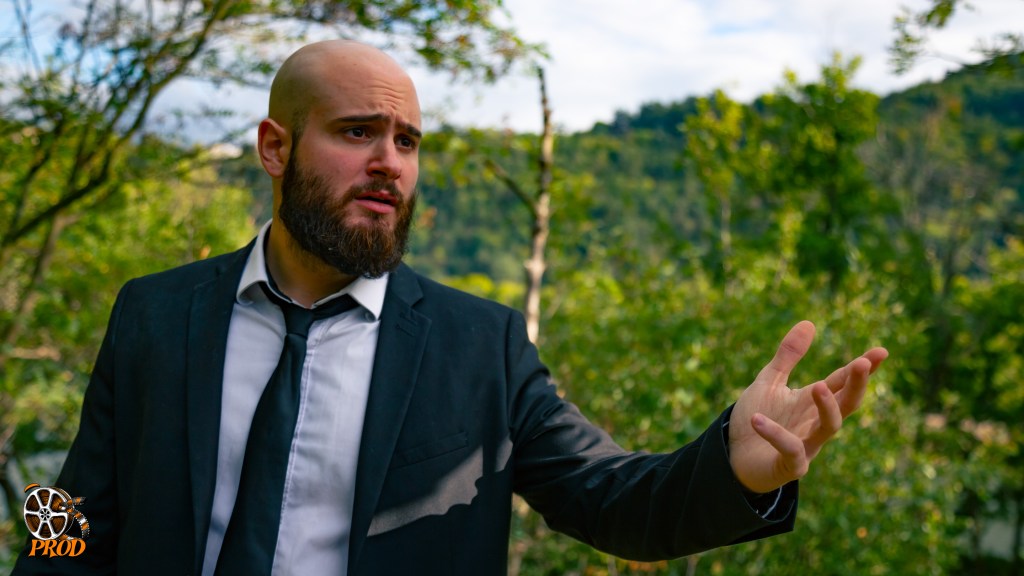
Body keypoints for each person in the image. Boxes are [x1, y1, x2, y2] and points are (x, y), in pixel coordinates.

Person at [13, 40, 888, 575]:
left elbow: (613, 499)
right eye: (358, 131)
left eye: (407, 140)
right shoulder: (156, 314)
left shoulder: (482, 344)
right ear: (275, 147)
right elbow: (74, 516)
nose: (390, 162)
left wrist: (733, 469)